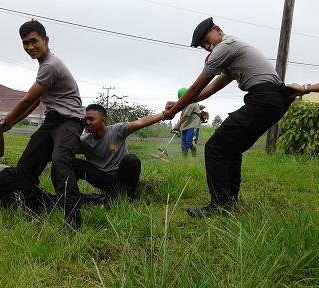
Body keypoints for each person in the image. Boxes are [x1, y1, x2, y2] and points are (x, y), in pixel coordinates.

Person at [162, 17, 295, 217]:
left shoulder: (226, 47)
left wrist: (174, 111)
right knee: (232, 149)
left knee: (215, 147)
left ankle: (218, 207)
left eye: (207, 40)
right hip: (274, 100)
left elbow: (197, 86)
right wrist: (179, 102)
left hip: (265, 98)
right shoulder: (233, 54)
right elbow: (207, 91)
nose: (208, 47)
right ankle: (229, 202)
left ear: (217, 29)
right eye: (204, 46)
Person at [0, 20, 84, 230]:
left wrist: (5, 121)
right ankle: (35, 208)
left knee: (61, 163)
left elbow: (25, 100)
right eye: (25, 43)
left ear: (46, 40)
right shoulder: (44, 66)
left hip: (70, 121)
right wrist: (10, 125)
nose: (30, 47)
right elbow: (34, 102)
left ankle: (73, 223)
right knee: (25, 166)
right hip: (53, 120)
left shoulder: (50, 65)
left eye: (34, 41)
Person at [72, 104, 165, 203]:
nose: (87, 122)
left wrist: (164, 114)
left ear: (103, 120)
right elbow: (63, 150)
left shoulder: (117, 130)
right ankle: (71, 196)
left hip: (121, 177)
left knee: (131, 159)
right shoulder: (83, 142)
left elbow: (140, 122)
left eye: (91, 119)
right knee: (71, 163)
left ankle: (129, 196)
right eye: (85, 119)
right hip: (102, 179)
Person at [173, 87, 201, 157]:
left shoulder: (192, 103)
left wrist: (178, 125)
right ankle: (184, 159)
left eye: (182, 98)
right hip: (185, 126)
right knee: (183, 144)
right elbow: (182, 115)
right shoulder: (185, 104)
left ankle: (195, 157)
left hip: (193, 126)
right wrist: (179, 126)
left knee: (190, 142)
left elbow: (185, 116)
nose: (181, 100)